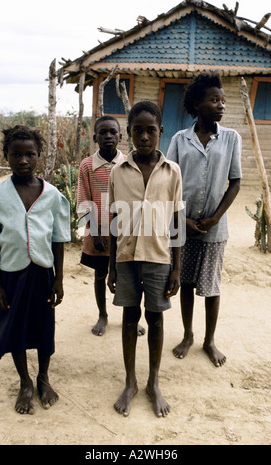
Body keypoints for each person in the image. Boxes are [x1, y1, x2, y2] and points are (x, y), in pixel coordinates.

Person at [0, 125, 71, 414]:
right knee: (14, 329)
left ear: (39, 156)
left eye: (29, 154)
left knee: (44, 328)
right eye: (16, 154)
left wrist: (59, 279)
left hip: (43, 274)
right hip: (11, 275)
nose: (23, 160)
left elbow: (58, 240)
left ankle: (43, 377)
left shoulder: (53, 195)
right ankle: (24, 383)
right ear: (6, 156)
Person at [108, 101, 183, 417]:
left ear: (160, 132)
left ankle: (153, 382)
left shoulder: (172, 171)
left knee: (155, 318)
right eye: (137, 130)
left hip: (158, 258)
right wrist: (111, 265)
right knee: (128, 317)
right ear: (129, 133)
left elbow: (177, 222)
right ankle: (130, 382)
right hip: (125, 258)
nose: (144, 136)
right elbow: (113, 220)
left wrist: (177, 268)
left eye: (150, 130)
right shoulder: (118, 171)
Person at [167, 72, 242, 367]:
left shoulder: (231, 138)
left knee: (211, 287)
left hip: (214, 229)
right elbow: (169, 180)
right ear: (198, 104)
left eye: (223, 100)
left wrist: (215, 217)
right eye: (214, 100)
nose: (221, 105)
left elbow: (235, 181)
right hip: (183, 227)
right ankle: (188, 335)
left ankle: (210, 340)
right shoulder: (179, 139)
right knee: (185, 282)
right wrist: (182, 218)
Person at [77, 116, 145, 337]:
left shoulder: (128, 162)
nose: (108, 136)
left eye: (112, 132)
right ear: (95, 136)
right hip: (99, 233)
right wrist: (95, 231)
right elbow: (84, 200)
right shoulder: (87, 165)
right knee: (100, 274)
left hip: (124, 234)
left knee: (128, 275)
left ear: (121, 136)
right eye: (103, 132)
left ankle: (131, 318)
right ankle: (102, 314)